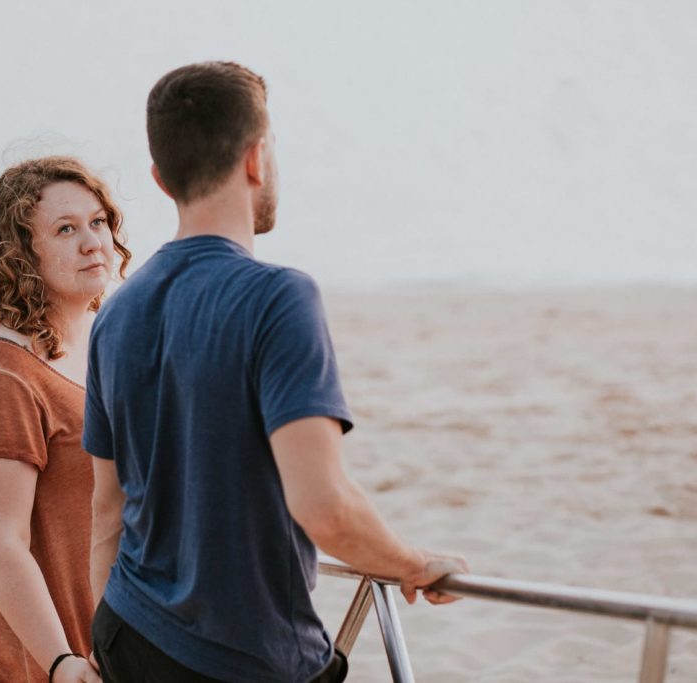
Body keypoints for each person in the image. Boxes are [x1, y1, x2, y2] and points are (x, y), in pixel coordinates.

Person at [84, 62, 469, 683]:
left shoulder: (117, 313)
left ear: (161, 179)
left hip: (126, 631)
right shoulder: (278, 297)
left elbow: (106, 509)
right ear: (257, 158)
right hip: (242, 658)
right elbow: (324, 506)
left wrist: (98, 649)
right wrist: (411, 562)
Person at [0, 156, 130, 683]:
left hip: (87, 634)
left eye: (98, 222)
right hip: (15, 656)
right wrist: (62, 663)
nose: (91, 242)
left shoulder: (99, 345)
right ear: (19, 254)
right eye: (65, 229)